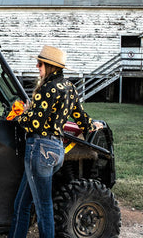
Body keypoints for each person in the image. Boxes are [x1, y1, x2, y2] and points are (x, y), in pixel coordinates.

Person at [8, 45, 100, 238]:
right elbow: (81, 117)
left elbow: (34, 123)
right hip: (56, 150)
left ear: (49, 66)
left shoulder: (47, 89)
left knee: (43, 207)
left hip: (40, 149)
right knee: (22, 204)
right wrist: (92, 125)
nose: (37, 66)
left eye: (40, 63)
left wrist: (20, 115)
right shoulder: (69, 87)